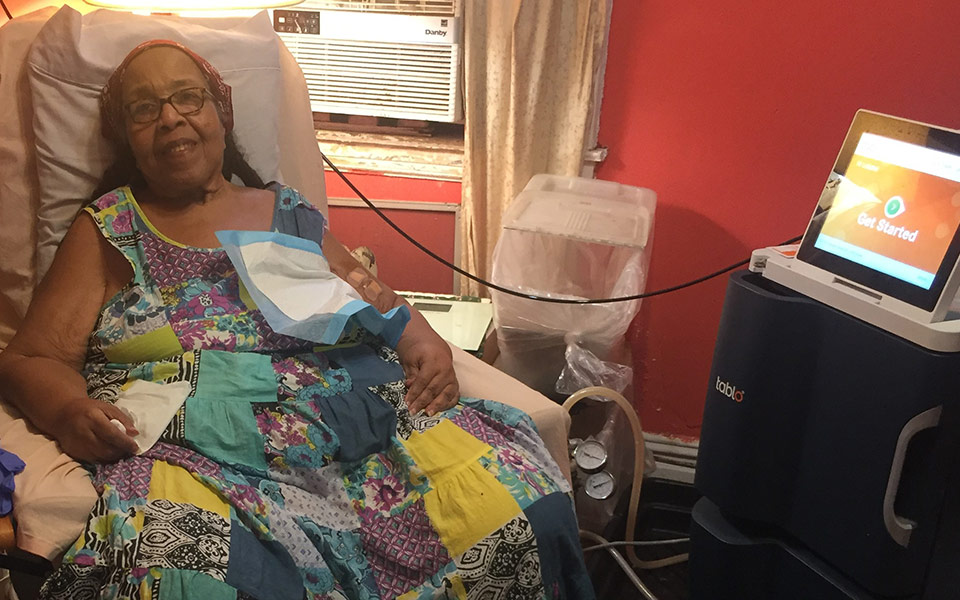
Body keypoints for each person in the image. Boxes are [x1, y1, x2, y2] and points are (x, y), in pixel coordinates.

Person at [0, 40, 593, 599]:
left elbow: (371, 294)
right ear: (125, 136)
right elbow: (31, 358)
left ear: (221, 112)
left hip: (350, 420)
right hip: (197, 446)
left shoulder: (287, 212)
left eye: (188, 98)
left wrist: (424, 339)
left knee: (520, 503)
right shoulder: (109, 228)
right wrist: (69, 409)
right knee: (191, 578)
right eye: (144, 108)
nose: (171, 118)